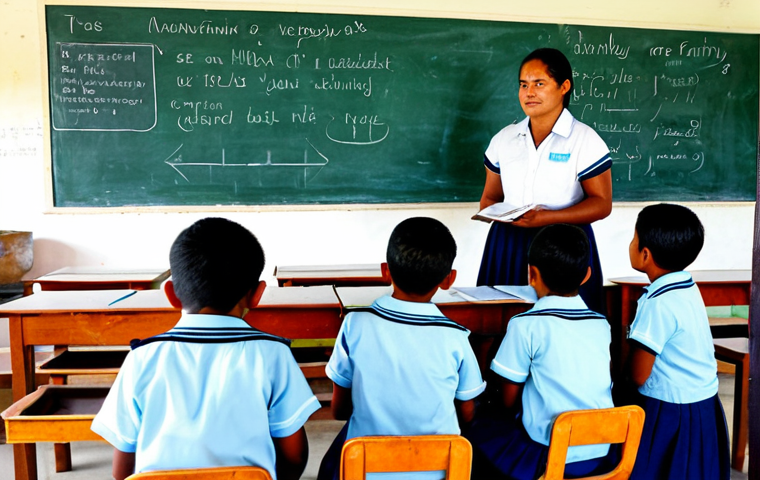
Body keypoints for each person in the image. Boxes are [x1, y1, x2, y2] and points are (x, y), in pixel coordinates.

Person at [91, 217, 320, 480]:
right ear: (256, 294)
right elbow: (294, 457)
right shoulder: (273, 354)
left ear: (171, 294)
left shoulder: (141, 357)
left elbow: (123, 469)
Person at [317, 217, 486, 480]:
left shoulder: (355, 324)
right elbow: (467, 413)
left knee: (329, 465)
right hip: (440, 468)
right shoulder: (456, 337)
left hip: (364, 465)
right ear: (448, 280)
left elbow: (339, 411)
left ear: (385, 271)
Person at [466, 224, 616, 480]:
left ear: (531, 274)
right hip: (603, 452)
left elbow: (508, 399)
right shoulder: (601, 323)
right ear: (587, 275)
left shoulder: (525, 325)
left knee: (477, 429)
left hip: (551, 455)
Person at [477, 47, 612, 315]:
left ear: (564, 87)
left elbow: (601, 204)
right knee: (504, 321)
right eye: (523, 85)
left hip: (564, 248)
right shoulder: (505, 139)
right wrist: (496, 213)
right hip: (509, 243)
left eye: (539, 84)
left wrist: (544, 219)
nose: (529, 93)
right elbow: (489, 197)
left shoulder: (584, 140)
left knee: (563, 324)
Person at [625, 203, 730, 479]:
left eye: (633, 239)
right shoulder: (687, 287)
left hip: (669, 411)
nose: (631, 244)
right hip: (704, 405)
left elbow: (637, 375)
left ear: (645, 254)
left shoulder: (657, 302)